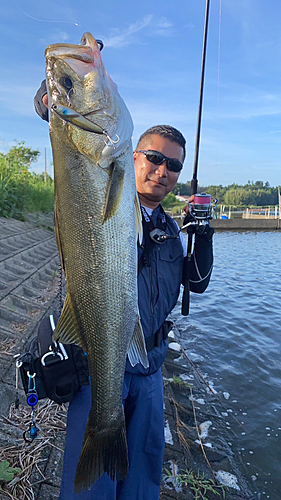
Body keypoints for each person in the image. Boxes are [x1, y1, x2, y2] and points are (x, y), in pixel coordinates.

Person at [34, 83, 214, 500]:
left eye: (173, 165)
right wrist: (55, 100)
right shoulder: (105, 201)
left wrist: (202, 236)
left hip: (150, 367)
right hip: (100, 365)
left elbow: (198, 283)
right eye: (153, 158)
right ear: (131, 155)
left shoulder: (172, 231)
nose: (162, 170)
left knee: (142, 476)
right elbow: (76, 147)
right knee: (92, 485)